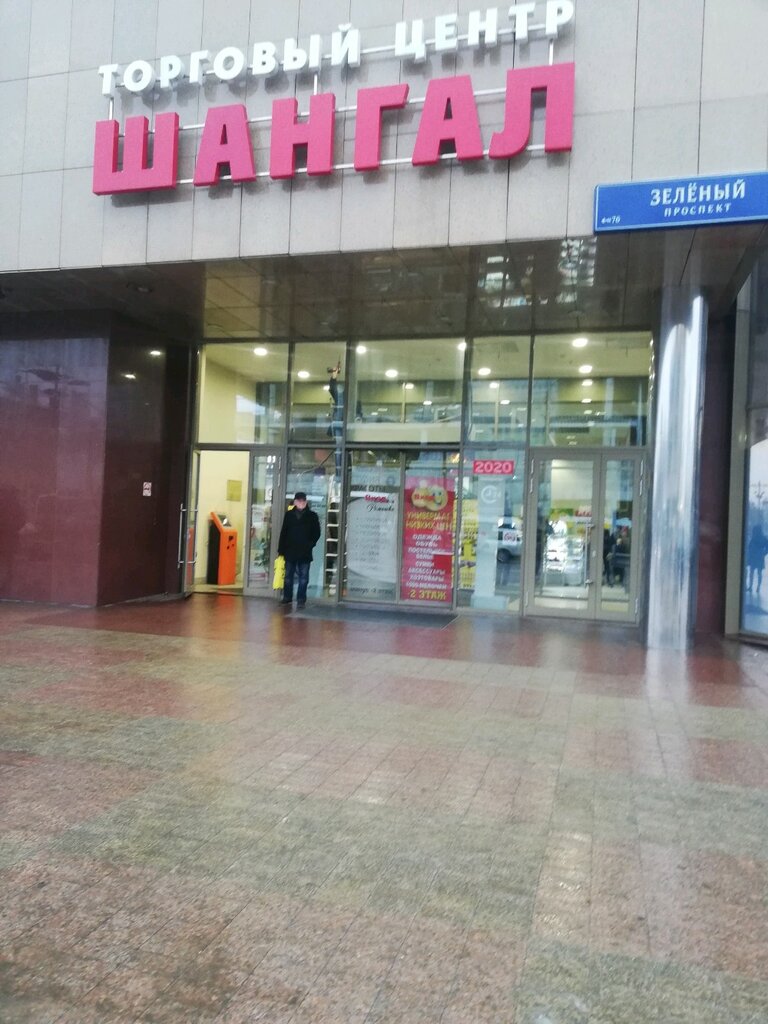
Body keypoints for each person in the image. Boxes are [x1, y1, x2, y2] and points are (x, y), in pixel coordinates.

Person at [277, 491, 321, 607]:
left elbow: (317, 533)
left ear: (306, 502)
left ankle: (301, 599)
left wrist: (310, 544)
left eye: (303, 501)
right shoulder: (289, 515)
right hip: (290, 550)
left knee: (304, 577)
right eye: (299, 501)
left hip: (305, 552)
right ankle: (287, 597)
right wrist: (281, 550)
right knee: (288, 576)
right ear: (295, 502)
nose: (301, 503)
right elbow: (284, 532)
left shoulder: (312, 516)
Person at [746, 523, 768, 593]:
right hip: (759, 557)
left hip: (754, 557)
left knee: (752, 572)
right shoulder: (764, 538)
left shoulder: (754, 537)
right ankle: (758, 587)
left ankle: (751, 586)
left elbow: (749, 547)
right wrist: (764, 553)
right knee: (759, 573)